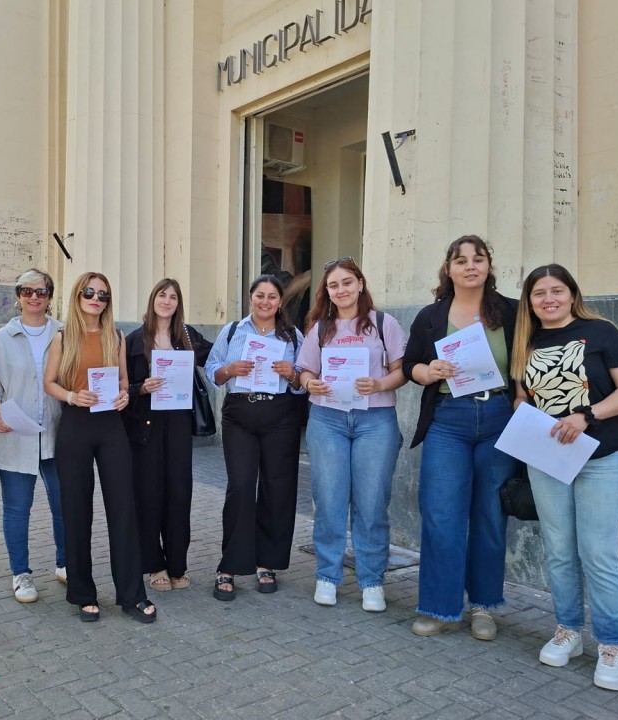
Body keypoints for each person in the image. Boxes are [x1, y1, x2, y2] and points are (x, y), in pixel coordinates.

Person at [511, 264, 618, 691]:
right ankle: (568, 630)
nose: (548, 299)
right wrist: (521, 411)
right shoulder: (525, 342)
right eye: (539, 293)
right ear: (530, 301)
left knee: (598, 553)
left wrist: (586, 415)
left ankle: (610, 645)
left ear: (571, 294)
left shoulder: (601, 332)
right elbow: (522, 394)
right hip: (548, 457)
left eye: (557, 290)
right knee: (559, 551)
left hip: (603, 456)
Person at [401, 235, 520, 640]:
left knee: (490, 514)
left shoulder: (512, 312)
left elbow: (528, 361)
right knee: (441, 513)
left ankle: (484, 606)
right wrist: (427, 371)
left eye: (478, 259)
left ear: (488, 266)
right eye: (461, 260)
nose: (470, 266)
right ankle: (440, 607)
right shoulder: (431, 316)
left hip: (499, 416)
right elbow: (410, 365)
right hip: (448, 418)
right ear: (448, 269)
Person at [43, 271, 156, 623]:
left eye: (103, 295)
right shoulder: (63, 337)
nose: (96, 299)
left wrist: (124, 395)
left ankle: (132, 594)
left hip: (110, 426)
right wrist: (71, 396)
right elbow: (49, 383)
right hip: (76, 425)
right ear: (78, 296)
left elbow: (123, 380)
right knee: (77, 510)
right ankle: (82, 593)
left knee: (123, 508)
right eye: (89, 293)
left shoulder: (116, 336)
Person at [295, 257, 407, 611]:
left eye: (347, 282)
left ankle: (372, 580)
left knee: (372, 503)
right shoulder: (319, 329)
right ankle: (327, 575)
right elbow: (304, 371)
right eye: (333, 285)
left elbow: (402, 371)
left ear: (360, 284)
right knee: (329, 501)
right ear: (327, 292)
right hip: (327, 419)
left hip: (375, 420)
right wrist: (310, 383)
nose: (341, 290)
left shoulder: (384, 324)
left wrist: (379, 384)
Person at [204, 274, 304, 600]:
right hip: (240, 415)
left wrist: (293, 374)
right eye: (260, 295)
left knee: (277, 488)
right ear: (251, 298)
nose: (265, 302)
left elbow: (304, 379)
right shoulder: (233, 331)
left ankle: (267, 563)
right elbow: (212, 369)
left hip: (280, 416)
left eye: (272, 296)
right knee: (241, 487)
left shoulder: (293, 335)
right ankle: (230, 566)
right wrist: (230, 370)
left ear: (280, 302)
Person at [0, 269, 66, 604]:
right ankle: (21, 573)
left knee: (64, 505)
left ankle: (65, 563)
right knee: (17, 509)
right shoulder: (2, 338)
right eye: (27, 291)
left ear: (49, 296)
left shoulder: (64, 332)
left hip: (59, 434)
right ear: (18, 296)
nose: (34, 297)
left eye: (41, 291)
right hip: (16, 435)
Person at [124, 278, 212, 592]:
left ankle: (177, 565)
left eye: (173, 297)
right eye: (162, 295)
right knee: (148, 496)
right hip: (145, 428)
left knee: (178, 494)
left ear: (178, 304)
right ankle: (154, 565)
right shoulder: (133, 340)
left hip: (178, 425)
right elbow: (123, 386)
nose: (167, 301)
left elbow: (216, 360)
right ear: (153, 300)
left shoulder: (187, 337)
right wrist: (141, 388)